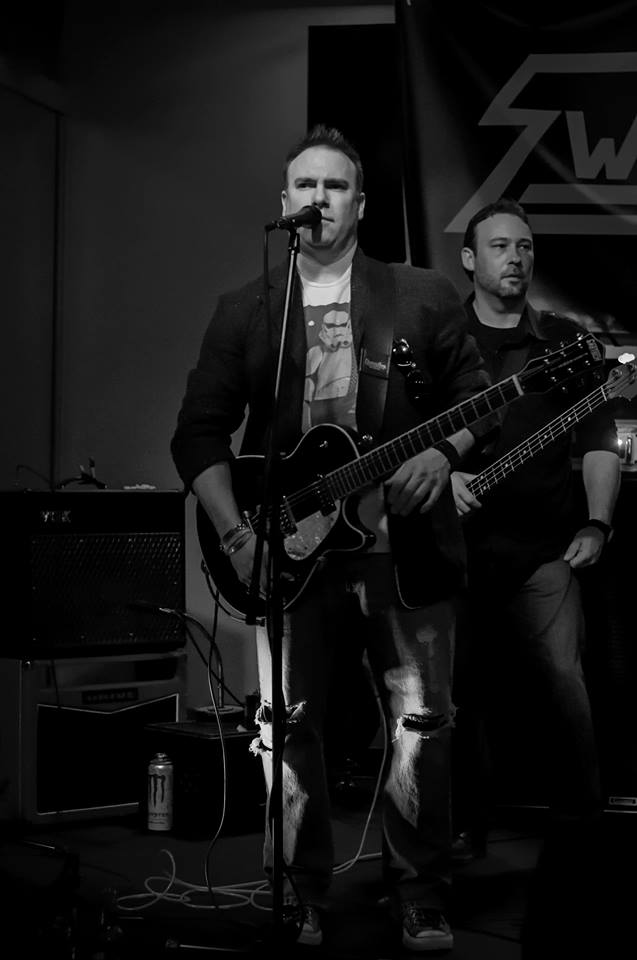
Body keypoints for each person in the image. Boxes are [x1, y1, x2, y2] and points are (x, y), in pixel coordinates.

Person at [171, 124, 497, 953]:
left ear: (360, 203)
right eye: (306, 185)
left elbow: (479, 399)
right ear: (284, 201)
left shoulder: (419, 294)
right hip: (286, 554)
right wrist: (236, 536)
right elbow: (198, 434)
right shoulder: (247, 308)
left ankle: (417, 889)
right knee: (287, 723)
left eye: (336, 186)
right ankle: (301, 890)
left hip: (402, 551)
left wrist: (442, 450)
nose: (319, 199)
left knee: (422, 722)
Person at [449, 197, 621, 866]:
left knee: (564, 682)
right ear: (470, 259)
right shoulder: (442, 340)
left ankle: (583, 831)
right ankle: (461, 831)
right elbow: (404, 433)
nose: (514, 257)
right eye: (499, 246)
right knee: (455, 697)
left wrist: (597, 522)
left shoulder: (561, 343)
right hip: (453, 554)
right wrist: (443, 477)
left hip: (541, 552)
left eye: (523, 246)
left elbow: (599, 437)